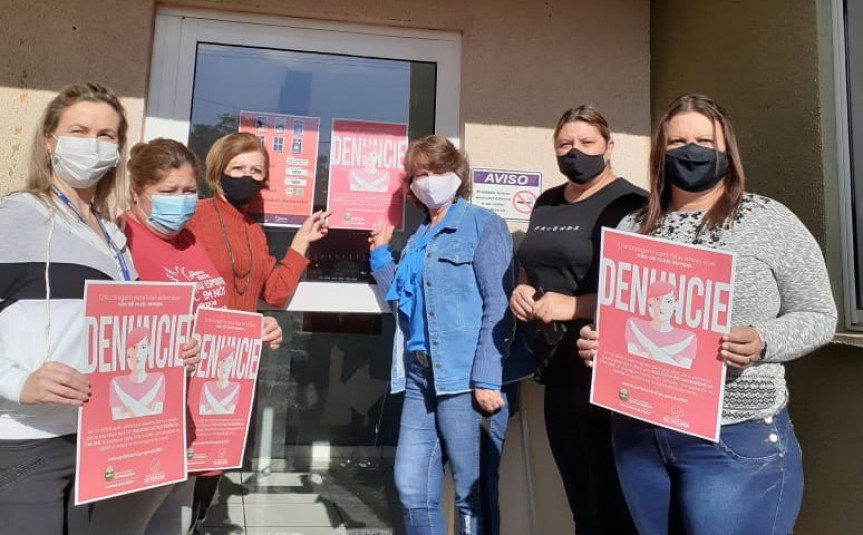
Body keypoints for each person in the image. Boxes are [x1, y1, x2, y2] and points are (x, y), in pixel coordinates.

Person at [577, 94, 837, 534]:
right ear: (660, 153)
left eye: (703, 141)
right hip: (640, 435)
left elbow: (819, 314)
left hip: (733, 436)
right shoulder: (632, 226)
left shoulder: (769, 221)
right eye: (677, 142)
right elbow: (623, 315)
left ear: (727, 151)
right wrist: (601, 341)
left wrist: (762, 340)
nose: (691, 151)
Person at [87, 137, 282, 535]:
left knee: (173, 524)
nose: (181, 201)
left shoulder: (189, 241)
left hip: (193, 419)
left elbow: (211, 314)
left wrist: (254, 330)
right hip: (143, 420)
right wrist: (162, 347)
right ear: (137, 192)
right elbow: (103, 333)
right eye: (168, 191)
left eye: (189, 191)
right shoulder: (119, 240)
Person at [0, 82, 137, 535]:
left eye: (106, 135)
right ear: (49, 141)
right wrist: (18, 382)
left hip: (93, 440)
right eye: (79, 131)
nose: (93, 144)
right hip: (25, 442)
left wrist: (173, 350)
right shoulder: (18, 216)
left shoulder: (113, 237)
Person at [368, 135, 519, 535]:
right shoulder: (418, 237)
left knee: (472, 495)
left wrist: (487, 377)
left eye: (438, 171)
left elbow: (499, 303)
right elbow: (404, 301)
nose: (429, 180)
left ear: (457, 174)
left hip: (465, 378)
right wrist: (380, 255)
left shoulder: (483, 224)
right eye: (420, 174)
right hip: (420, 376)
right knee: (412, 487)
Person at [508, 106, 644, 534]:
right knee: (580, 501)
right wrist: (522, 288)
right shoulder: (547, 201)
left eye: (586, 143)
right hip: (556, 368)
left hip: (603, 369)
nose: (574, 152)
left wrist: (574, 306)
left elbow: (643, 294)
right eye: (565, 144)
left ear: (609, 146)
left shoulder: (632, 205)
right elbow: (532, 263)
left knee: (613, 502)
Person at [185, 132, 330, 531]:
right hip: (190, 359)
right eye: (237, 168)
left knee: (212, 466)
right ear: (217, 171)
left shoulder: (254, 231)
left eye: (256, 171)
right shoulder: (193, 216)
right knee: (182, 467)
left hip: (232, 367)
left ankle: (196, 523)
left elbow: (275, 293)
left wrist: (300, 242)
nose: (246, 177)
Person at [624, 280, 697, 369]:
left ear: (675, 305)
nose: (662, 306)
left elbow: (680, 370)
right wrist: (672, 351)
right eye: (657, 300)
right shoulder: (634, 325)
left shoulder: (688, 337)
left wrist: (646, 345)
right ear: (649, 301)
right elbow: (635, 362)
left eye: (668, 301)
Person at [109, 327, 166, 420]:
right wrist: (149, 396)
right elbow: (118, 420)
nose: (138, 353)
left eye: (143, 347)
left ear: (148, 351)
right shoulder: (117, 383)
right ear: (128, 352)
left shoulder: (158, 379)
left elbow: (156, 418)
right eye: (134, 347)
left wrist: (123, 397)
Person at [199, 345, 240, 415]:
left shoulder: (235, 387)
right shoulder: (207, 386)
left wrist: (212, 407)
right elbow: (202, 413)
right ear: (219, 363)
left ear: (233, 364)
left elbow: (229, 414)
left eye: (229, 361)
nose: (225, 365)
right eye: (223, 361)